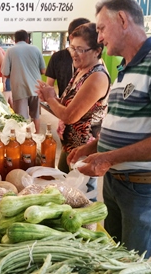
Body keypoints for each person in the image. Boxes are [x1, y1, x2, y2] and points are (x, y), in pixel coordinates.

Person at [68, 0, 151, 258]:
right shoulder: (125, 69)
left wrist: (109, 157)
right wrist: (91, 148)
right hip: (115, 182)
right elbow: (122, 125)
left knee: (137, 262)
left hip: (144, 186)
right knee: (114, 256)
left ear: (122, 19)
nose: (99, 38)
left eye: (101, 28)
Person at [36, 23, 110, 200]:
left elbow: (70, 116)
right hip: (70, 146)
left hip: (84, 149)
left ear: (97, 51)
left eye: (80, 49)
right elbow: (68, 106)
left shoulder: (97, 76)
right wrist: (50, 98)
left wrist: (51, 99)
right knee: (64, 192)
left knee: (81, 199)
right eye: (72, 48)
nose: (74, 54)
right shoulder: (82, 70)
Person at [1, 30, 46, 133]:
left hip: (19, 88)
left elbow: (5, 73)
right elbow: (43, 70)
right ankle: (37, 137)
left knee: (22, 118)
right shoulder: (35, 49)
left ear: (14, 39)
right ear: (27, 39)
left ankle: (25, 141)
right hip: (36, 87)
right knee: (36, 116)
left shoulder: (10, 51)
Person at [45, 18, 90, 97]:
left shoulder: (93, 60)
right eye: (85, 37)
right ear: (72, 37)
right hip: (64, 105)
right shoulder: (57, 57)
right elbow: (49, 86)